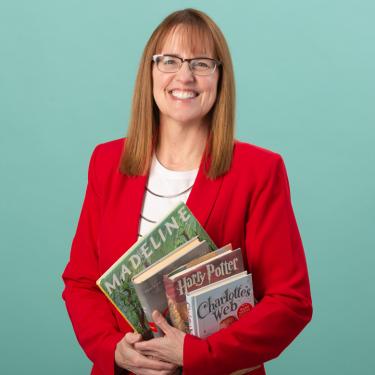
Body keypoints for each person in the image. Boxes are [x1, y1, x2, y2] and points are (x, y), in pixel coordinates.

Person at [62, 8, 312, 375]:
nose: (184, 76)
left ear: (219, 78)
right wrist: (111, 348)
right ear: (149, 72)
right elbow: (81, 281)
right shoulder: (107, 162)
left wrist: (199, 353)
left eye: (201, 63)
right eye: (170, 61)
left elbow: (290, 303)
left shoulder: (259, 171)